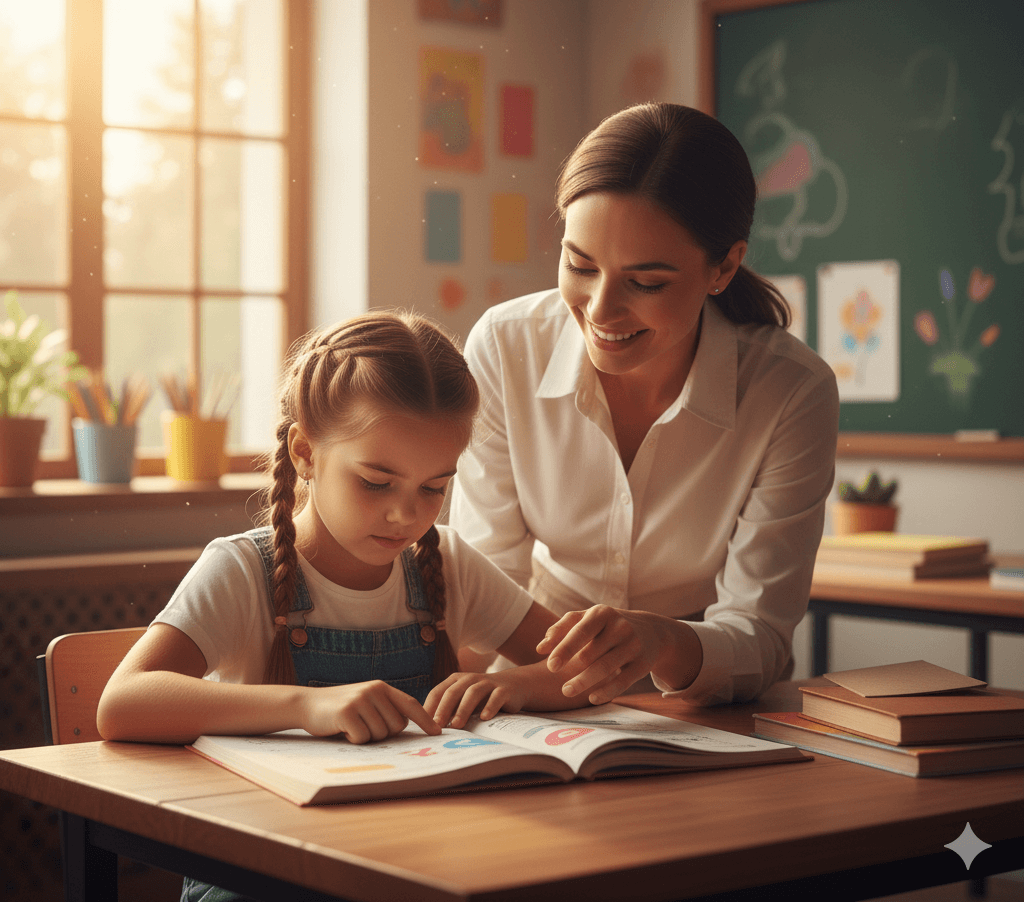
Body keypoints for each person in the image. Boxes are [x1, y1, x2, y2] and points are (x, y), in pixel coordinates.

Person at [97, 311, 593, 902]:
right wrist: (308, 706)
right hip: (261, 869)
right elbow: (123, 703)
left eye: (433, 488)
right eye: (377, 483)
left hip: (414, 857)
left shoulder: (448, 564)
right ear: (305, 453)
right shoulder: (240, 570)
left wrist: (519, 686)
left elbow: (589, 670)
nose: (406, 515)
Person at [449, 103, 840, 707]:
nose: (601, 310)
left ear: (724, 267)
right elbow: (483, 586)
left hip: (700, 704)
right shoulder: (506, 347)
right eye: (579, 265)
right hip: (527, 683)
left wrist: (659, 643)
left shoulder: (789, 391)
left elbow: (758, 635)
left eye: (647, 283)